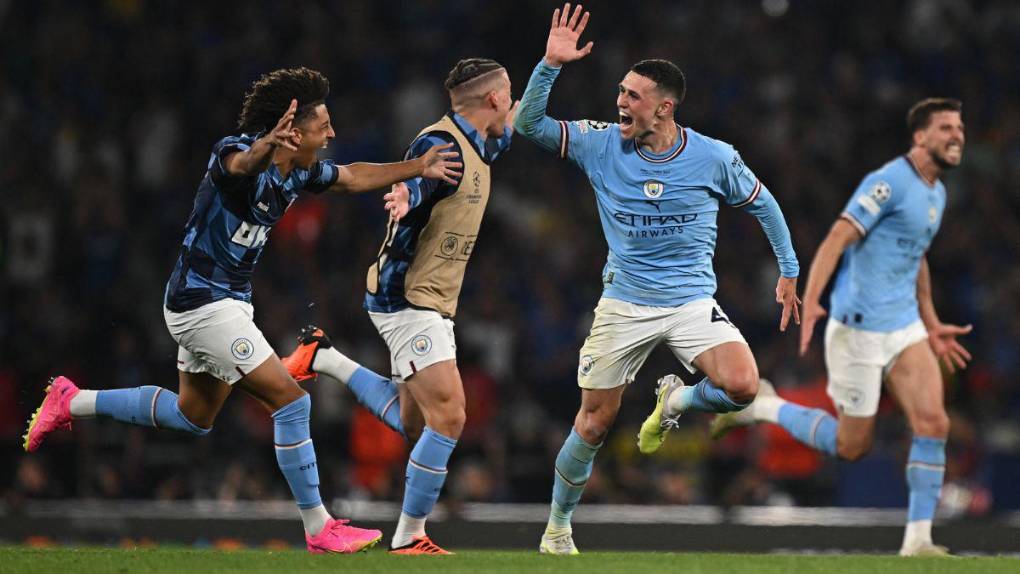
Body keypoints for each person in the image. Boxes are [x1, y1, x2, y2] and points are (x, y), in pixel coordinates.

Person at [22, 67, 462, 554]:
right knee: (292, 402)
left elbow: (354, 176)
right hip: (202, 303)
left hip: (225, 301)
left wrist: (417, 168)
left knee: (193, 417)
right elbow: (240, 165)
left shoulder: (301, 171)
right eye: (324, 125)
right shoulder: (233, 152)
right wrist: (263, 148)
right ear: (293, 132)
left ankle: (70, 400)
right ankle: (319, 528)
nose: (333, 133)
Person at [512, 4, 801, 554]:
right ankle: (556, 529)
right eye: (620, 91)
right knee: (595, 422)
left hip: (692, 301)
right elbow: (529, 124)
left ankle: (677, 403)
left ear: (664, 108)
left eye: (633, 96)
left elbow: (765, 206)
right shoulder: (601, 143)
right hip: (624, 303)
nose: (620, 102)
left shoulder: (714, 157)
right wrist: (550, 64)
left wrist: (788, 270)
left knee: (741, 387)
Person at [711, 98, 971, 557]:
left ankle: (918, 541)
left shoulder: (936, 193)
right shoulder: (888, 182)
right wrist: (812, 302)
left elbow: (915, 255)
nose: (958, 135)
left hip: (903, 326)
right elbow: (837, 236)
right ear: (920, 137)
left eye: (960, 128)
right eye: (947, 127)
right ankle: (766, 406)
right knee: (853, 446)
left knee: (933, 421)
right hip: (857, 331)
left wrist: (930, 322)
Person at [281, 58, 517, 555]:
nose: (514, 102)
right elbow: (421, 177)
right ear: (493, 99)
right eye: (509, 93)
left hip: (430, 299)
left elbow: (525, 118)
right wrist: (407, 195)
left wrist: (551, 65)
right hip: (408, 297)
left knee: (415, 424)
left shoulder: (483, 141)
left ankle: (322, 357)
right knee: (450, 416)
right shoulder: (441, 144)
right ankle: (410, 535)